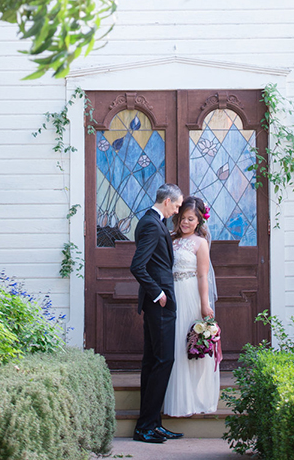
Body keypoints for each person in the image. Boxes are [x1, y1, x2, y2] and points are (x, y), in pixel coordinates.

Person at [130, 183, 184, 444]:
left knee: (152, 361)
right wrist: (159, 294)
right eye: (176, 205)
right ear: (167, 202)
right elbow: (137, 266)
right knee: (163, 360)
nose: (177, 210)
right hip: (158, 303)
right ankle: (145, 428)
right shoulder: (152, 224)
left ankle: (152, 424)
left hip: (157, 303)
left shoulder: (153, 221)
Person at [163, 196, 221, 417]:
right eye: (183, 218)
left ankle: (194, 400)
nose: (185, 222)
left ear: (199, 221)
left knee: (189, 345)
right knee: (174, 345)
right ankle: (174, 399)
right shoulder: (170, 239)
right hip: (171, 294)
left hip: (190, 296)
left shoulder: (200, 243)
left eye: (191, 219)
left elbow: (203, 276)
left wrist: (205, 305)